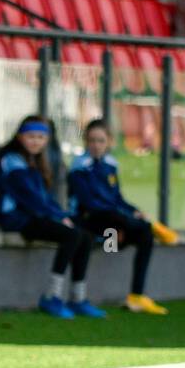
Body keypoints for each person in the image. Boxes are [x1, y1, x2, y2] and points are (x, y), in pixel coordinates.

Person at [0, 118, 103, 320]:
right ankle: (52, 296)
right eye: (31, 136)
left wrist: (61, 215)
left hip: (35, 216)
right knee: (71, 236)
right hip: (17, 219)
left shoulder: (35, 161)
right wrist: (58, 218)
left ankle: (78, 298)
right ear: (20, 137)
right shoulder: (12, 159)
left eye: (41, 137)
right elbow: (29, 198)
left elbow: (44, 199)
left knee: (85, 236)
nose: (36, 141)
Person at [68, 120, 169, 315]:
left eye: (100, 140)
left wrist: (134, 210)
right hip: (89, 221)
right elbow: (89, 203)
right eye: (91, 140)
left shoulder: (110, 165)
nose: (95, 145)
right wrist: (123, 219)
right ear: (85, 142)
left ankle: (136, 296)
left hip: (113, 228)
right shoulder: (79, 166)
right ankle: (147, 226)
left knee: (144, 234)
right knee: (115, 217)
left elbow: (118, 199)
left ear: (109, 142)